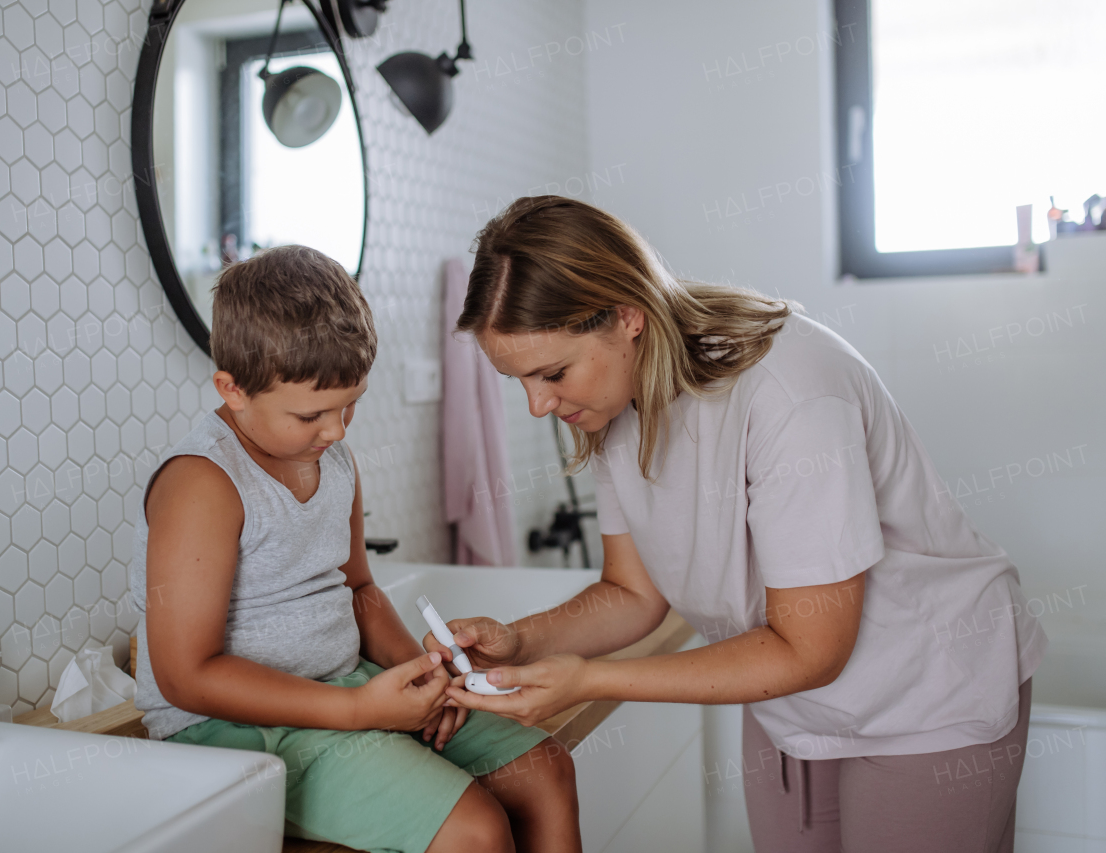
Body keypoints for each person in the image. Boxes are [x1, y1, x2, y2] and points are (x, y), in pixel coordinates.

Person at [429, 197, 1046, 853]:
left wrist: (590, 677)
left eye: (552, 373)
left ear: (628, 315)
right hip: (793, 705)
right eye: (518, 380)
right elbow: (633, 594)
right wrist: (516, 641)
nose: (537, 405)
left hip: (926, 698)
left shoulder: (789, 394)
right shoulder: (616, 405)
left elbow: (811, 648)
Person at [129, 245, 580, 853]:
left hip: (343, 688)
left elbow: (360, 588)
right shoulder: (203, 483)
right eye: (313, 413)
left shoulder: (328, 454)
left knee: (546, 771)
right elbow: (187, 677)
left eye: (351, 405)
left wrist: (424, 678)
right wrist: (361, 712)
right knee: (475, 832)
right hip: (235, 730)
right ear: (232, 389)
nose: (338, 431)